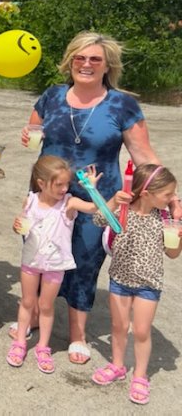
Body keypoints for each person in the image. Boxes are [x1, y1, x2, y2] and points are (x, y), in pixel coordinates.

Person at [18, 31, 181, 364]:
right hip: (48, 196)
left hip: (100, 200)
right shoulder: (52, 96)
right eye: (80, 57)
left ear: (108, 65)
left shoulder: (122, 104)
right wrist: (28, 134)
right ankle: (32, 315)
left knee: (85, 261)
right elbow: (34, 128)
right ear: (70, 61)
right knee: (38, 256)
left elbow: (143, 154)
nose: (86, 64)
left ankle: (77, 334)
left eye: (95, 59)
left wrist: (171, 194)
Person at [6, 156, 128, 373]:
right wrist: (17, 225)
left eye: (66, 184)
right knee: (27, 302)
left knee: (46, 306)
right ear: (41, 183)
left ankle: (43, 346)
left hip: (55, 265)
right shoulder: (31, 200)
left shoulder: (69, 203)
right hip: (30, 262)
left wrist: (92, 188)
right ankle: (20, 343)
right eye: (58, 184)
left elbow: (96, 209)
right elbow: (22, 224)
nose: (64, 188)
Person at [90, 164, 180, 405]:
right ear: (147, 193)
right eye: (168, 194)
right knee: (118, 327)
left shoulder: (164, 218)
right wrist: (112, 200)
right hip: (120, 280)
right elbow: (98, 218)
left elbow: (172, 254)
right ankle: (117, 365)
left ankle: (140, 375)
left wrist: (178, 234)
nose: (172, 198)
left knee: (140, 331)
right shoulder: (122, 211)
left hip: (148, 284)